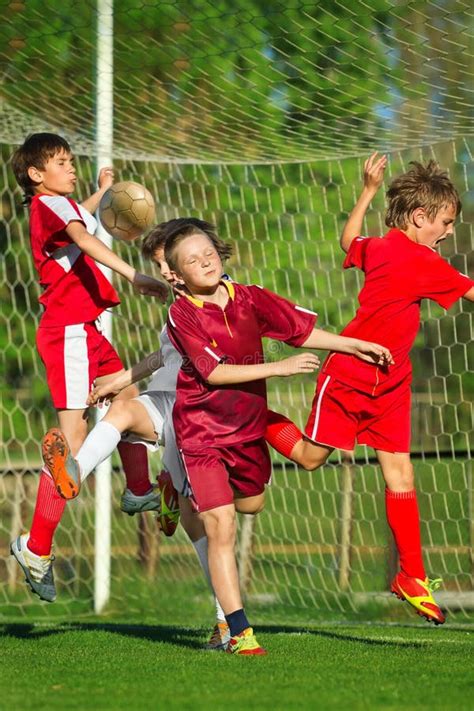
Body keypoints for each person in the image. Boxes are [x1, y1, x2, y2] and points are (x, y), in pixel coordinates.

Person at [265, 154, 474, 625]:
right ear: (421, 218)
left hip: (393, 384)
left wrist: (366, 190)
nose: (447, 232)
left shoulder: (379, 246)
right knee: (309, 458)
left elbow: (347, 239)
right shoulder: (423, 261)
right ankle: (254, 416)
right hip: (349, 376)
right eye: (444, 223)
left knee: (401, 475)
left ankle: (411, 577)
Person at [9, 133, 169, 603]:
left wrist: (102, 192)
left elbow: (79, 213)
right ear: (37, 175)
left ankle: (138, 488)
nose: (70, 168)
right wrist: (133, 274)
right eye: (61, 162)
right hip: (69, 334)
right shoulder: (49, 208)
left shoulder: (60, 205)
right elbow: (81, 233)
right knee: (73, 449)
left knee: (126, 400)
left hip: (87, 332)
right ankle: (36, 547)